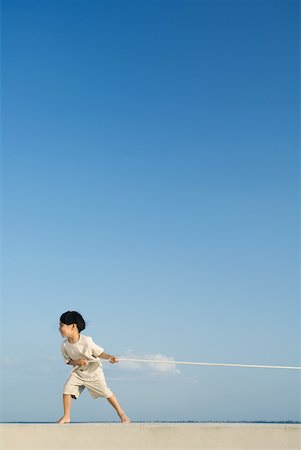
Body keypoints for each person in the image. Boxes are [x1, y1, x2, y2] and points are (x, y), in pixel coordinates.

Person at [57, 310, 130, 424]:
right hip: (78, 372)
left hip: (94, 372)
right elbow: (68, 361)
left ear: (73, 326)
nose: (59, 328)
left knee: (106, 392)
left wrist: (110, 357)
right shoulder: (64, 345)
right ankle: (66, 416)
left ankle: (121, 413)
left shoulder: (87, 341)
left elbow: (99, 353)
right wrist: (77, 362)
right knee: (67, 389)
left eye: (61, 325)